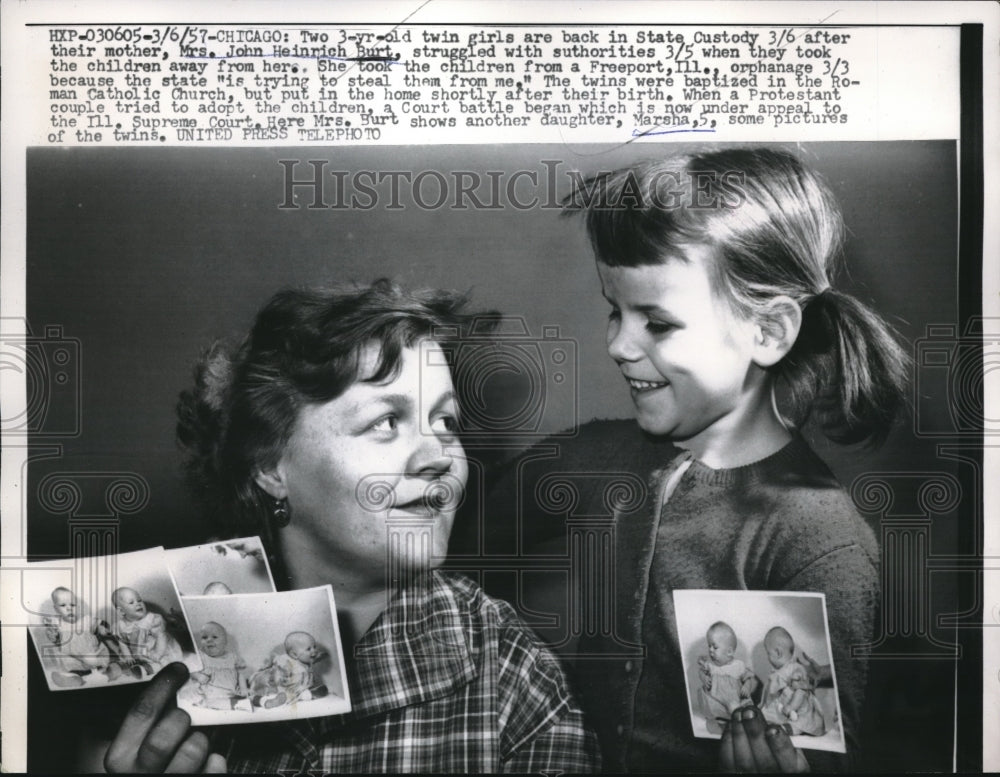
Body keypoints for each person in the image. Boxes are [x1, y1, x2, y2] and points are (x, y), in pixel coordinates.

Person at [488, 147, 907, 771]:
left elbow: (822, 756)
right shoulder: (590, 460)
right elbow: (435, 550)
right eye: (615, 310)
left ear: (767, 332)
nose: (618, 344)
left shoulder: (818, 539)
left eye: (656, 323)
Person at [103, 280, 604, 773]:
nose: (440, 458)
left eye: (447, 422)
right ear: (271, 467)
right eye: (385, 422)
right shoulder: (174, 663)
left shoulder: (516, 678)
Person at [43, 587, 122, 687]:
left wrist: (102, 629)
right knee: (73, 669)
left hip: (93, 654)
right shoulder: (57, 624)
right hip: (73, 659)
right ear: (56, 609)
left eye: (72, 605)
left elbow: (99, 626)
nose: (69, 608)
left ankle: (110, 671)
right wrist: (52, 635)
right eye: (63, 605)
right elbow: (56, 640)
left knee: (104, 666)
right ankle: (74, 678)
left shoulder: (86, 620)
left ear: (78, 606)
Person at [760, 626, 825, 737]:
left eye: (768, 653)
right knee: (768, 715)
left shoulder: (795, 669)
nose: (767, 657)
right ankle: (770, 724)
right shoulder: (775, 673)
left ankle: (790, 729)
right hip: (781, 705)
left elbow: (801, 691)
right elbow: (768, 691)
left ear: (778, 652)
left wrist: (791, 707)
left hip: (797, 706)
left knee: (801, 720)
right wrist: (762, 704)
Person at [697, 621, 757, 733]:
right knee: (714, 713)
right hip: (715, 698)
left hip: (732, 698)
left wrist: (747, 687)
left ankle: (739, 726)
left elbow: (748, 677)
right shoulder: (710, 664)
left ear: (729, 652)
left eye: (714, 647)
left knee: (734, 708)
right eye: (709, 646)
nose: (710, 650)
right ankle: (721, 724)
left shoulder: (738, 665)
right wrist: (704, 679)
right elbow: (701, 672)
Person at [248, 631, 328, 709]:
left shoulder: (303, 660)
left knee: (320, 689)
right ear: (294, 654)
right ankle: (263, 701)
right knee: (255, 696)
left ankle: (304, 694)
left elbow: (313, 659)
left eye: (314, 647)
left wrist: (319, 656)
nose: (314, 651)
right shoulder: (287, 663)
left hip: (293, 687)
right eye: (308, 649)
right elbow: (277, 674)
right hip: (267, 685)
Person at [111, 586, 184, 671]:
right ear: (121, 611)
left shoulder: (152, 619)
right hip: (138, 652)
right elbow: (122, 642)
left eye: (139, 600)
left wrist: (158, 654)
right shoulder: (121, 625)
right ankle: (141, 669)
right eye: (131, 602)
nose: (138, 604)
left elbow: (161, 637)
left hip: (159, 649)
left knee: (165, 664)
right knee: (129, 663)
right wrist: (128, 656)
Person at [186, 622, 249, 711]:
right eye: (204, 637)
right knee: (206, 701)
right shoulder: (200, 656)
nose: (209, 640)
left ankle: (237, 702)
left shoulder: (232, 657)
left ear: (225, 642)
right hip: (209, 694)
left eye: (214, 637)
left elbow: (240, 673)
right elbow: (188, 671)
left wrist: (244, 689)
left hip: (230, 692)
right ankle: (235, 704)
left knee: (243, 696)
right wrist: (198, 675)